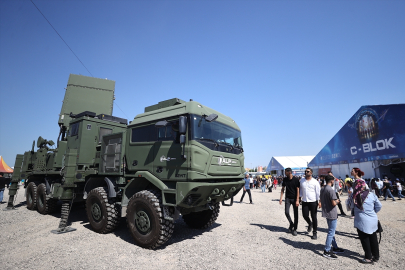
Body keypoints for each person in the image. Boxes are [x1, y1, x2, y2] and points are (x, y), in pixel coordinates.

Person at [351, 175, 382, 264]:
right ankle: (376, 256)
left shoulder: (355, 197)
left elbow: (351, 207)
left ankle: (368, 257)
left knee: (365, 239)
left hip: (361, 221)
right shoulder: (372, 194)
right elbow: (379, 206)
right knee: (373, 238)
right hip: (373, 219)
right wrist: (372, 212)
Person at [321, 175, 345, 259]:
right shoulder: (330, 190)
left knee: (332, 231)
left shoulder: (323, 188)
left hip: (326, 211)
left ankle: (335, 247)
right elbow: (333, 203)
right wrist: (337, 201)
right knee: (331, 232)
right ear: (331, 181)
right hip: (332, 212)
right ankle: (327, 250)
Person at [299, 168, 321, 240]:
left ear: (311, 173)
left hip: (313, 201)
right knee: (305, 215)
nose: (306, 172)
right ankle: (309, 223)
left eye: (307, 171)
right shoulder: (302, 180)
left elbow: (318, 192)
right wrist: (299, 198)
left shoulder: (315, 182)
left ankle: (314, 233)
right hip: (305, 201)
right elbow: (301, 190)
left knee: (314, 217)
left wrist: (319, 201)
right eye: (305, 171)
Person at [279, 168, 300, 236]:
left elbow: (298, 190)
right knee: (286, 212)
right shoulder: (285, 179)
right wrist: (281, 198)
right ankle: (291, 223)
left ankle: (295, 229)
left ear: (289, 172)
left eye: (285, 172)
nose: (285, 173)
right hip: (287, 198)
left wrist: (297, 200)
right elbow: (282, 189)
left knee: (295, 214)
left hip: (294, 199)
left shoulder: (296, 180)